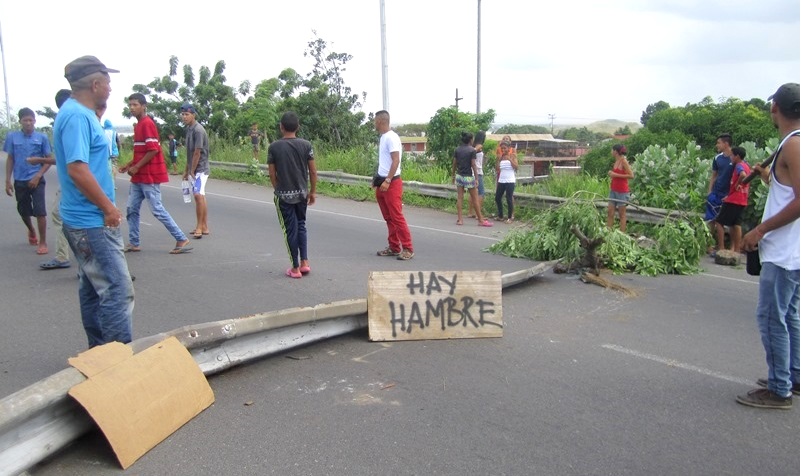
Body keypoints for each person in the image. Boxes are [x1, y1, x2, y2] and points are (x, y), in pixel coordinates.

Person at [54, 55, 134, 347]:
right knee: (117, 290)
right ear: (96, 84)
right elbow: (77, 168)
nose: (111, 88)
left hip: (82, 219)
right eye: (108, 82)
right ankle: (116, 362)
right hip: (91, 220)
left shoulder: (77, 113)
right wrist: (108, 208)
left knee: (91, 289)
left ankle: (98, 353)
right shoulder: (77, 116)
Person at [737, 83, 800, 410]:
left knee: (772, 317)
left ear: (775, 107)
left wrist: (759, 231)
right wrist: (766, 176)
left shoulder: (793, 146)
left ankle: (779, 389)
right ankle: (792, 374)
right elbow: (788, 191)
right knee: (789, 315)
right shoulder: (791, 144)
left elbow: (799, 203)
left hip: (783, 251)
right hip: (791, 251)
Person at [119, 93, 193, 255]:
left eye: (135, 105)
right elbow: (142, 151)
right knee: (131, 208)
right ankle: (134, 242)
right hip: (139, 177)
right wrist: (129, 165)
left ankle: (180, 238)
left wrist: (137, 166)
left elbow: (153, 150)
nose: (132, 108)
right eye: (130, 105)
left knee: (157, 209)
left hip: (149, 175)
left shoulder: (147, 124)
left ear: (144, 106)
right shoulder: (138, 126)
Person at [267, 112, 317, 278]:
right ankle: (304, 262)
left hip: (284, 195)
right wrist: (312, 191)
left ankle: (294, 268)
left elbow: (272, 174)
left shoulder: (274, 147)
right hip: (302, 193)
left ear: (281, 127)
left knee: (290, 230)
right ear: (298, 127)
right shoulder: (306, 145)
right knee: (301, 225)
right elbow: (313, 171)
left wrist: (278, 188)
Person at [30, 90, 73, 270]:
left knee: (61, 215)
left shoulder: (68, 120)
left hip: (74, 178)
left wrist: (40, 161)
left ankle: (69, 256)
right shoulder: (71, 119)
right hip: (74, 177)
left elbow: (70, 158)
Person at [4, 107, 52, 255]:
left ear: (35, 121)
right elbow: (10, 159)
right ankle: (31, 230)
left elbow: (48, 160)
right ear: (20, 121)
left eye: (31, 120)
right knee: (23, 210)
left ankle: (43, 242)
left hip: (36, 179)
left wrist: (38, 175)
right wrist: (7, 180)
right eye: (25, 120)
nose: (28, 123)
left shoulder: (42, 138)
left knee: (40, 211)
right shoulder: (12, 137)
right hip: (20, 179)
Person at [373, 110, 414, 260]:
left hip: (391, 183)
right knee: (389, 217)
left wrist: (388, 180)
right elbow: (384, 161)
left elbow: (395, 160)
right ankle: (394, 246)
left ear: (380, 121)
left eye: (375, 120)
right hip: (382, 182)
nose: (374, 123)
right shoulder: (383, 137)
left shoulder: (391, 138)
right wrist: (378, 180)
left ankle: (408, 248)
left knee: (396, 217)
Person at [713, 146, 750, 253]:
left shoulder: (739, 166)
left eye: (732, 156)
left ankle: (721, 248)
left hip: (734, 200)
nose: (731, 158)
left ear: (737, 156)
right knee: (735, 224)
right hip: (742, 199)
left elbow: (742, 175)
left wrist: (738, 184)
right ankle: (736, 250)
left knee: (719, 222)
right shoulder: (747, 165)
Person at [181, 103, 210, 238]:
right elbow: (190, 153)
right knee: (200, 196)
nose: (184, 117)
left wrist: (192, 170)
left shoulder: (198, 130)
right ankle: (204, 226)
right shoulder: (189, 129)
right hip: (193, 169)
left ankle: (199, 226)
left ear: (193, 115)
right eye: (183, 114)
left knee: (198, 195)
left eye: (187, 114)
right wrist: (186, 170)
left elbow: (197, 152)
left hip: (201, 169)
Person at [453, 132, 492, 227]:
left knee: (460, 198)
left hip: (459, 175)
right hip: (468, 176)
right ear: (471, 140)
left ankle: (460, 220)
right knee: (475, 198)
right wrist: (476, 178)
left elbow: (454, 163)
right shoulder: (471, 150)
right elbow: (473, 164)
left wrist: (453, 175)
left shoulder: (457, 149)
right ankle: (480, 220)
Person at [706, 133, 734, 254]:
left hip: (729, 194)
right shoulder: (717, 158)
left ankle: (730, 248)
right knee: (711, 220)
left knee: (730, 222)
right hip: (716, 193)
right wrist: (709, 192)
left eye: (719, 143)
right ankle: (709, 245)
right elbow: (714, 176)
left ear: (726, 143)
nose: (717, 145)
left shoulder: (735, 157)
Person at [607, 144, 634, 232]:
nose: (611, 152)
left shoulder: (623, 161)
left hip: (622, 192)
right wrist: (612, 173)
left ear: (616, 151)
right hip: (613, 190)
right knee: (610, 212)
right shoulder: (616, 160)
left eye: (612, 150)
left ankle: (621, 235)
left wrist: (615, 175)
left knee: (622, 215)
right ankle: (608, 233)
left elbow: (631, 175)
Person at [495, 141, 518, 224]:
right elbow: (497, 169)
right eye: (502, 148)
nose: (503, 150)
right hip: (501, 179)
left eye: (505, 148)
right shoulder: (501, 157)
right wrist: (498, 160)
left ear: (509, 148)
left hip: (510, 180)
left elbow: (516, 167)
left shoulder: (512, 155)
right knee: (497, 197)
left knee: (509, 198)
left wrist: (510, 160)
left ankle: (509, 217)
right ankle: (500, 215)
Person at [470, 131, 486, 218]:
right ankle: (478, 213)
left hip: (472, 170)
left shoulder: (472, 145)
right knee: (481, 192)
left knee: (472, 193)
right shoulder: (479, 146)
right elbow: (472, 153)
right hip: (477, 171)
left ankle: (470, 212)